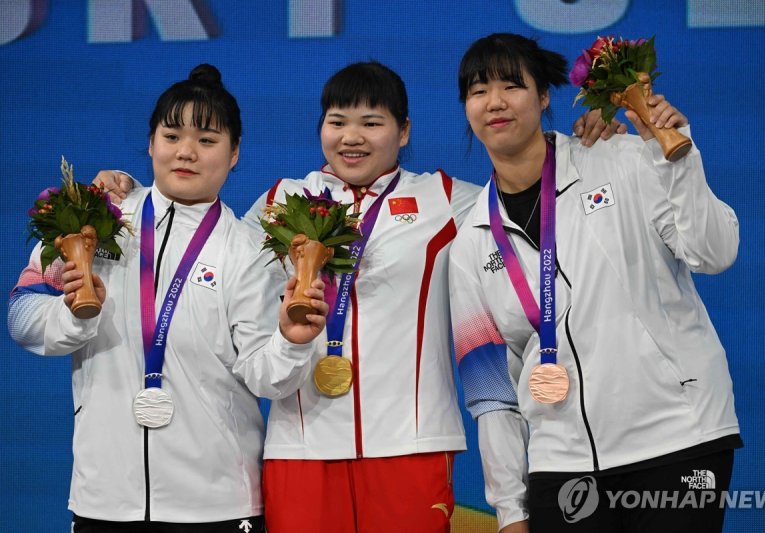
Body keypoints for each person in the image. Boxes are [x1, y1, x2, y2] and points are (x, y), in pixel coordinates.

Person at [93, 61, 622, 533]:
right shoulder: (281, 201)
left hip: (411, 448)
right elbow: (194, 241)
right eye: (338, 121)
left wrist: (582, 142)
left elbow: (528, 185)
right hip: (299, 452)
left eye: (372, 123)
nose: (353, 137)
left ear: (404, 131)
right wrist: (134, 192)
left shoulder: (444, 199)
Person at [7, 64, 328, 533]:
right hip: (104, 499)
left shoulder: (247, 251)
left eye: (207, 140)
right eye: (172, 135)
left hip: (217, 506)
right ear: (152, 142)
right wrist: (72, 316)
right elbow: (21, 314)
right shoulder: (94, 218)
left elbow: (267, 379)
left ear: (235, 153)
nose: (186, 152)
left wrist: (292, 342)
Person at [449, 33, 741, 533]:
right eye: (478, 91)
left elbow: (714, 253)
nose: (494, 102)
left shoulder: (622, 160)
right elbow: (492, 390)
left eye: (511, 85)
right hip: (560, 463)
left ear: (544, 97)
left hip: (677, 438)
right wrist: (510, 511)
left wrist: (677, 154)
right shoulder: (471, 242)